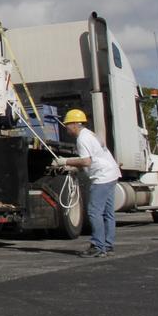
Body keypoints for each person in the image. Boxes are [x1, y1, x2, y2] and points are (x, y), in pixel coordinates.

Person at [53, 108, 119, 257]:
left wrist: (65, 161)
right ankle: (108, 246)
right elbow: (93, 158)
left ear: (76, 124)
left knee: (94, 212)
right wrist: (75, 167)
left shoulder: (82, 139)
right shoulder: (90, 134)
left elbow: (87, 161)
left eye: (68, 124)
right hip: (111, 173)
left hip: (102, 177)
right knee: (108, 213)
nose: (66, 127)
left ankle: (97, 246)